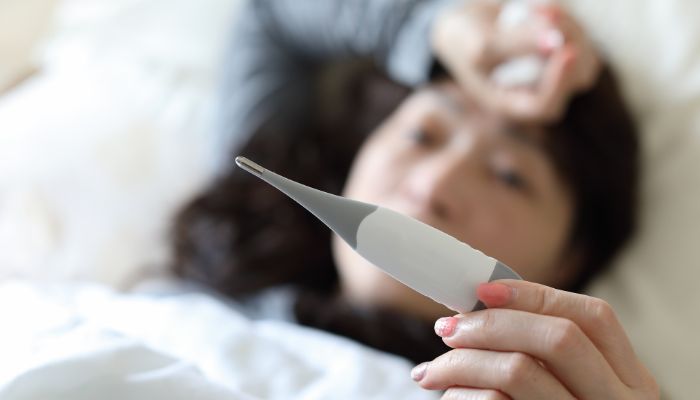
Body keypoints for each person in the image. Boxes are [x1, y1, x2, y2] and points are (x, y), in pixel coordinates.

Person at [172, 0, 658, 397]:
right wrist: (439, 30)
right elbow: (273, 13)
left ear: (569, 259)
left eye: (510, 177)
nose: (435, 184)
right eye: (422, 135)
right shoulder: (246, 226)